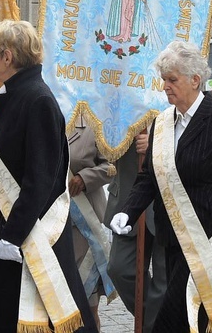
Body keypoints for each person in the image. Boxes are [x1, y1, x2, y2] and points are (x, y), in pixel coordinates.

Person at [110, 41, 212, 333]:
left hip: (211, 242)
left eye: (172, 80)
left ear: (195, 80)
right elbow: (150, 178)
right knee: (187, 320)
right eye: (164, 79)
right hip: (173, 239)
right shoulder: (162, 123)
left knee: (186, 319)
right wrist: (128, 211)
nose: (165, 86)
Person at [0, 20, 95, 333]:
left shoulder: (37, 101)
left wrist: (13, 234)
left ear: (8, 57)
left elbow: (40, 178)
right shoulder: (16, 96)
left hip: (28, 233)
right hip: (9, 228)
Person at [104, 134, 167, 333]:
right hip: (127, 200)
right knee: (119, 268)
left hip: (165, 202)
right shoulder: (118, 102)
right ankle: (160, 323)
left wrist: (158, 140)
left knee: (164, 283)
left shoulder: (174, 102)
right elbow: (102, 144)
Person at [67, 116, 116, 331]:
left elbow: (111, 164)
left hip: (85, 223)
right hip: (52, 222)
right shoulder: (45, 114)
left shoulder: (94, 122)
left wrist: (85, 178)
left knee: (87, 302)